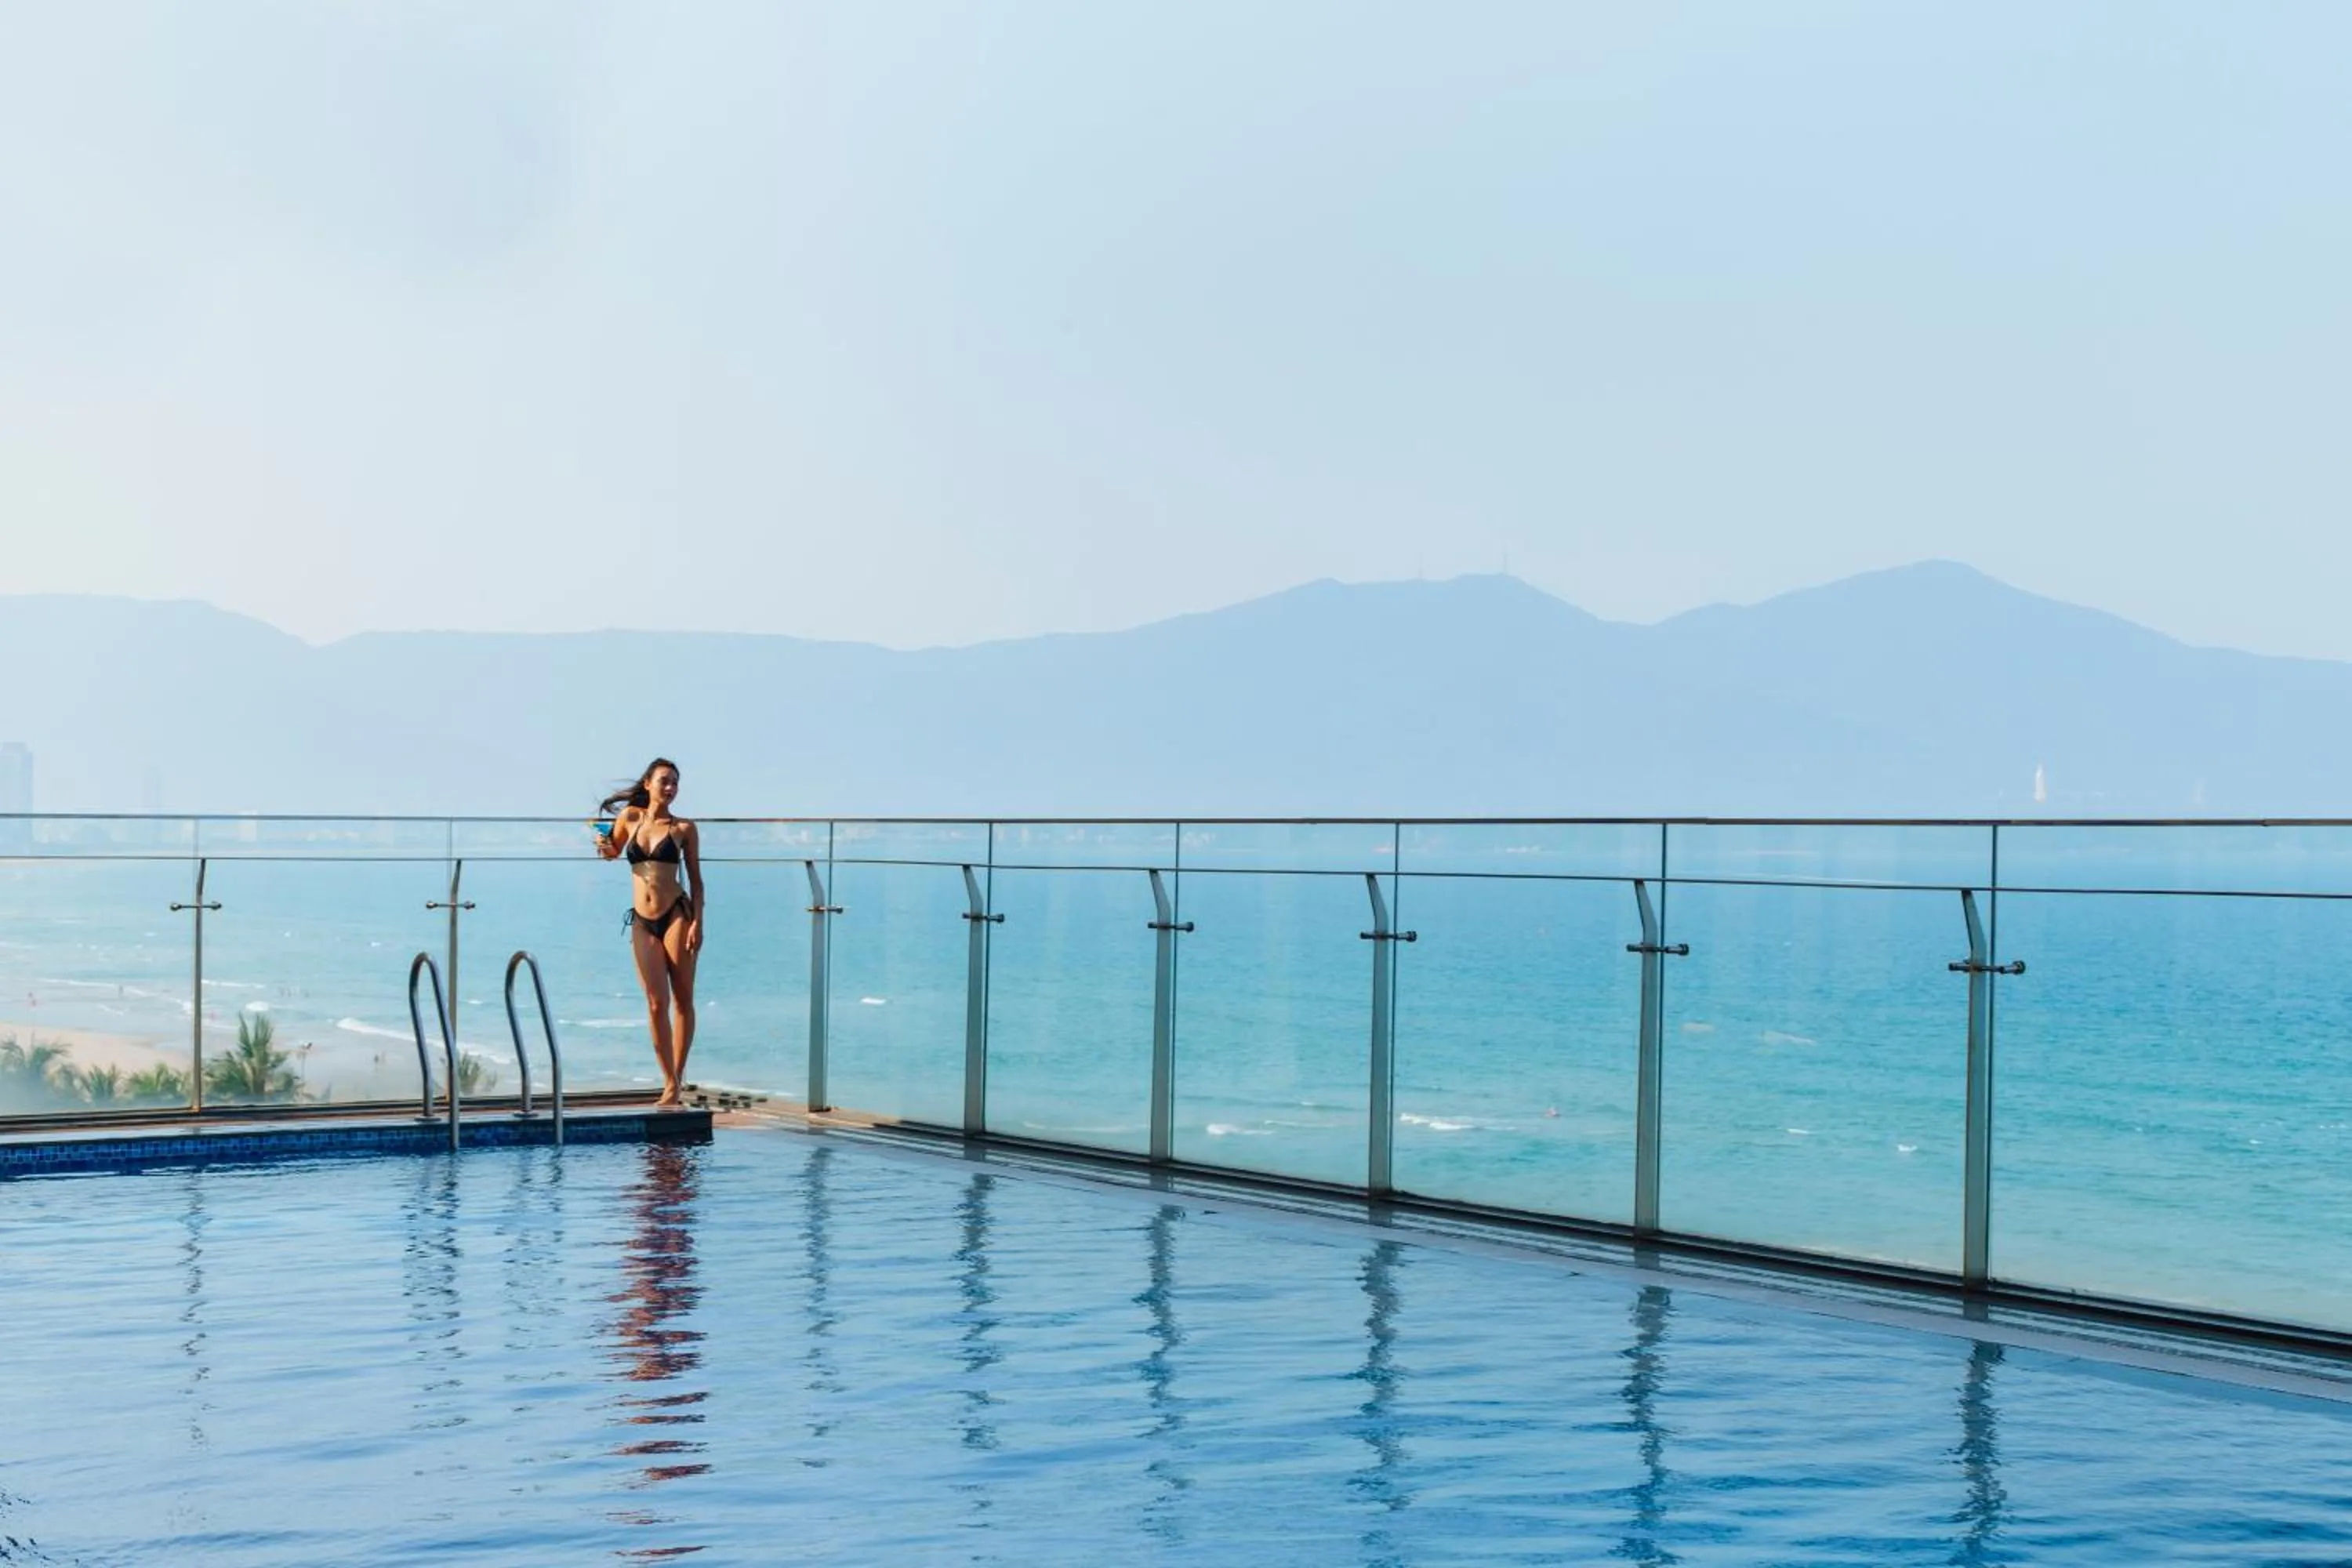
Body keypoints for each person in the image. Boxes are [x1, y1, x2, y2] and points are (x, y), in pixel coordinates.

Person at [595, 758, 703, 1107]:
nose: (670, 788)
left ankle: (677, 1081)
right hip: (642, 920)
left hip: (676, 916)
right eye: (664, 782)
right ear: (648, 784)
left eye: (675, 783)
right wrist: (604, 846)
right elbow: (612, 851)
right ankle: (669, 1079)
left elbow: (697, 881)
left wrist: (698, 922)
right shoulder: (630, 818)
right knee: (657, 1003)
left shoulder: (684, 828)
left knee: (683, 999)